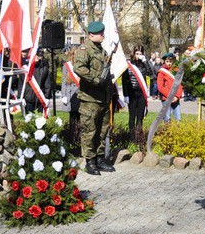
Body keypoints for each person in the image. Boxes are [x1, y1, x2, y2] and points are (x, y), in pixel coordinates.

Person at [74, 21, 115, 176]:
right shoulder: (85, 49)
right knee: (89, 131)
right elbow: (79, 68)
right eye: (100, 33)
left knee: (102, 130)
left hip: (103, 98)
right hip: (90, 98)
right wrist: (96, 80)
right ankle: (89, 161)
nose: (103, 35)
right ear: (91, 35)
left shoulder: (101, 50)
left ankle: (99, 159)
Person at [121, 47, 151, 139]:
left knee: (140, 115)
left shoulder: (143, 65)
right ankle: (131, 136)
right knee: (132, 116)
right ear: (133, 54)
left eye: (140, 53)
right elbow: (124, 80)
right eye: (137, 53)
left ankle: (138, 135)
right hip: (132, 93)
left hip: (141, 93)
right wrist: (125, 94)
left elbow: (150, 73)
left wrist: (145, 61)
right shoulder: (129, 65)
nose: (138, 55)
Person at [23, 50, 52, 114]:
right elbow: (21, 83)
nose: (39, 58)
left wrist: (47, 97)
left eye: (40, 56)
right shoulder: (26, 68)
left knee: (40, 120)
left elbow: (47, 83)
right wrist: (21, 97)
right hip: (28, 97)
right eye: (37, 56)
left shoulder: (44, 68)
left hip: (40, 97)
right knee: (29, 118)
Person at [157, 53, 183, 122]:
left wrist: (177, 96)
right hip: (166, 98)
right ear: (164, 62)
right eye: (167, 61)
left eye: (170, 61)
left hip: (175, 98)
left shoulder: (176, 71)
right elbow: (160, 87)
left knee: (178, 119)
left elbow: (180, 85)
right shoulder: (162, 72)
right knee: (167, 119)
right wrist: (171, 96)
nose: (169, 63)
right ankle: (167, 132)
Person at [61, 46, 81, 132]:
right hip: (71, 94)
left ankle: (79, 136)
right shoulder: (67, 65)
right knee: (72, 115)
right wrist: (63, 95)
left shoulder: (82, 65)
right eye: (75, 54)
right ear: (72, 54)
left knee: (81, 116)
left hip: (80, 93)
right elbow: (64, 81)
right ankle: (72, 135)